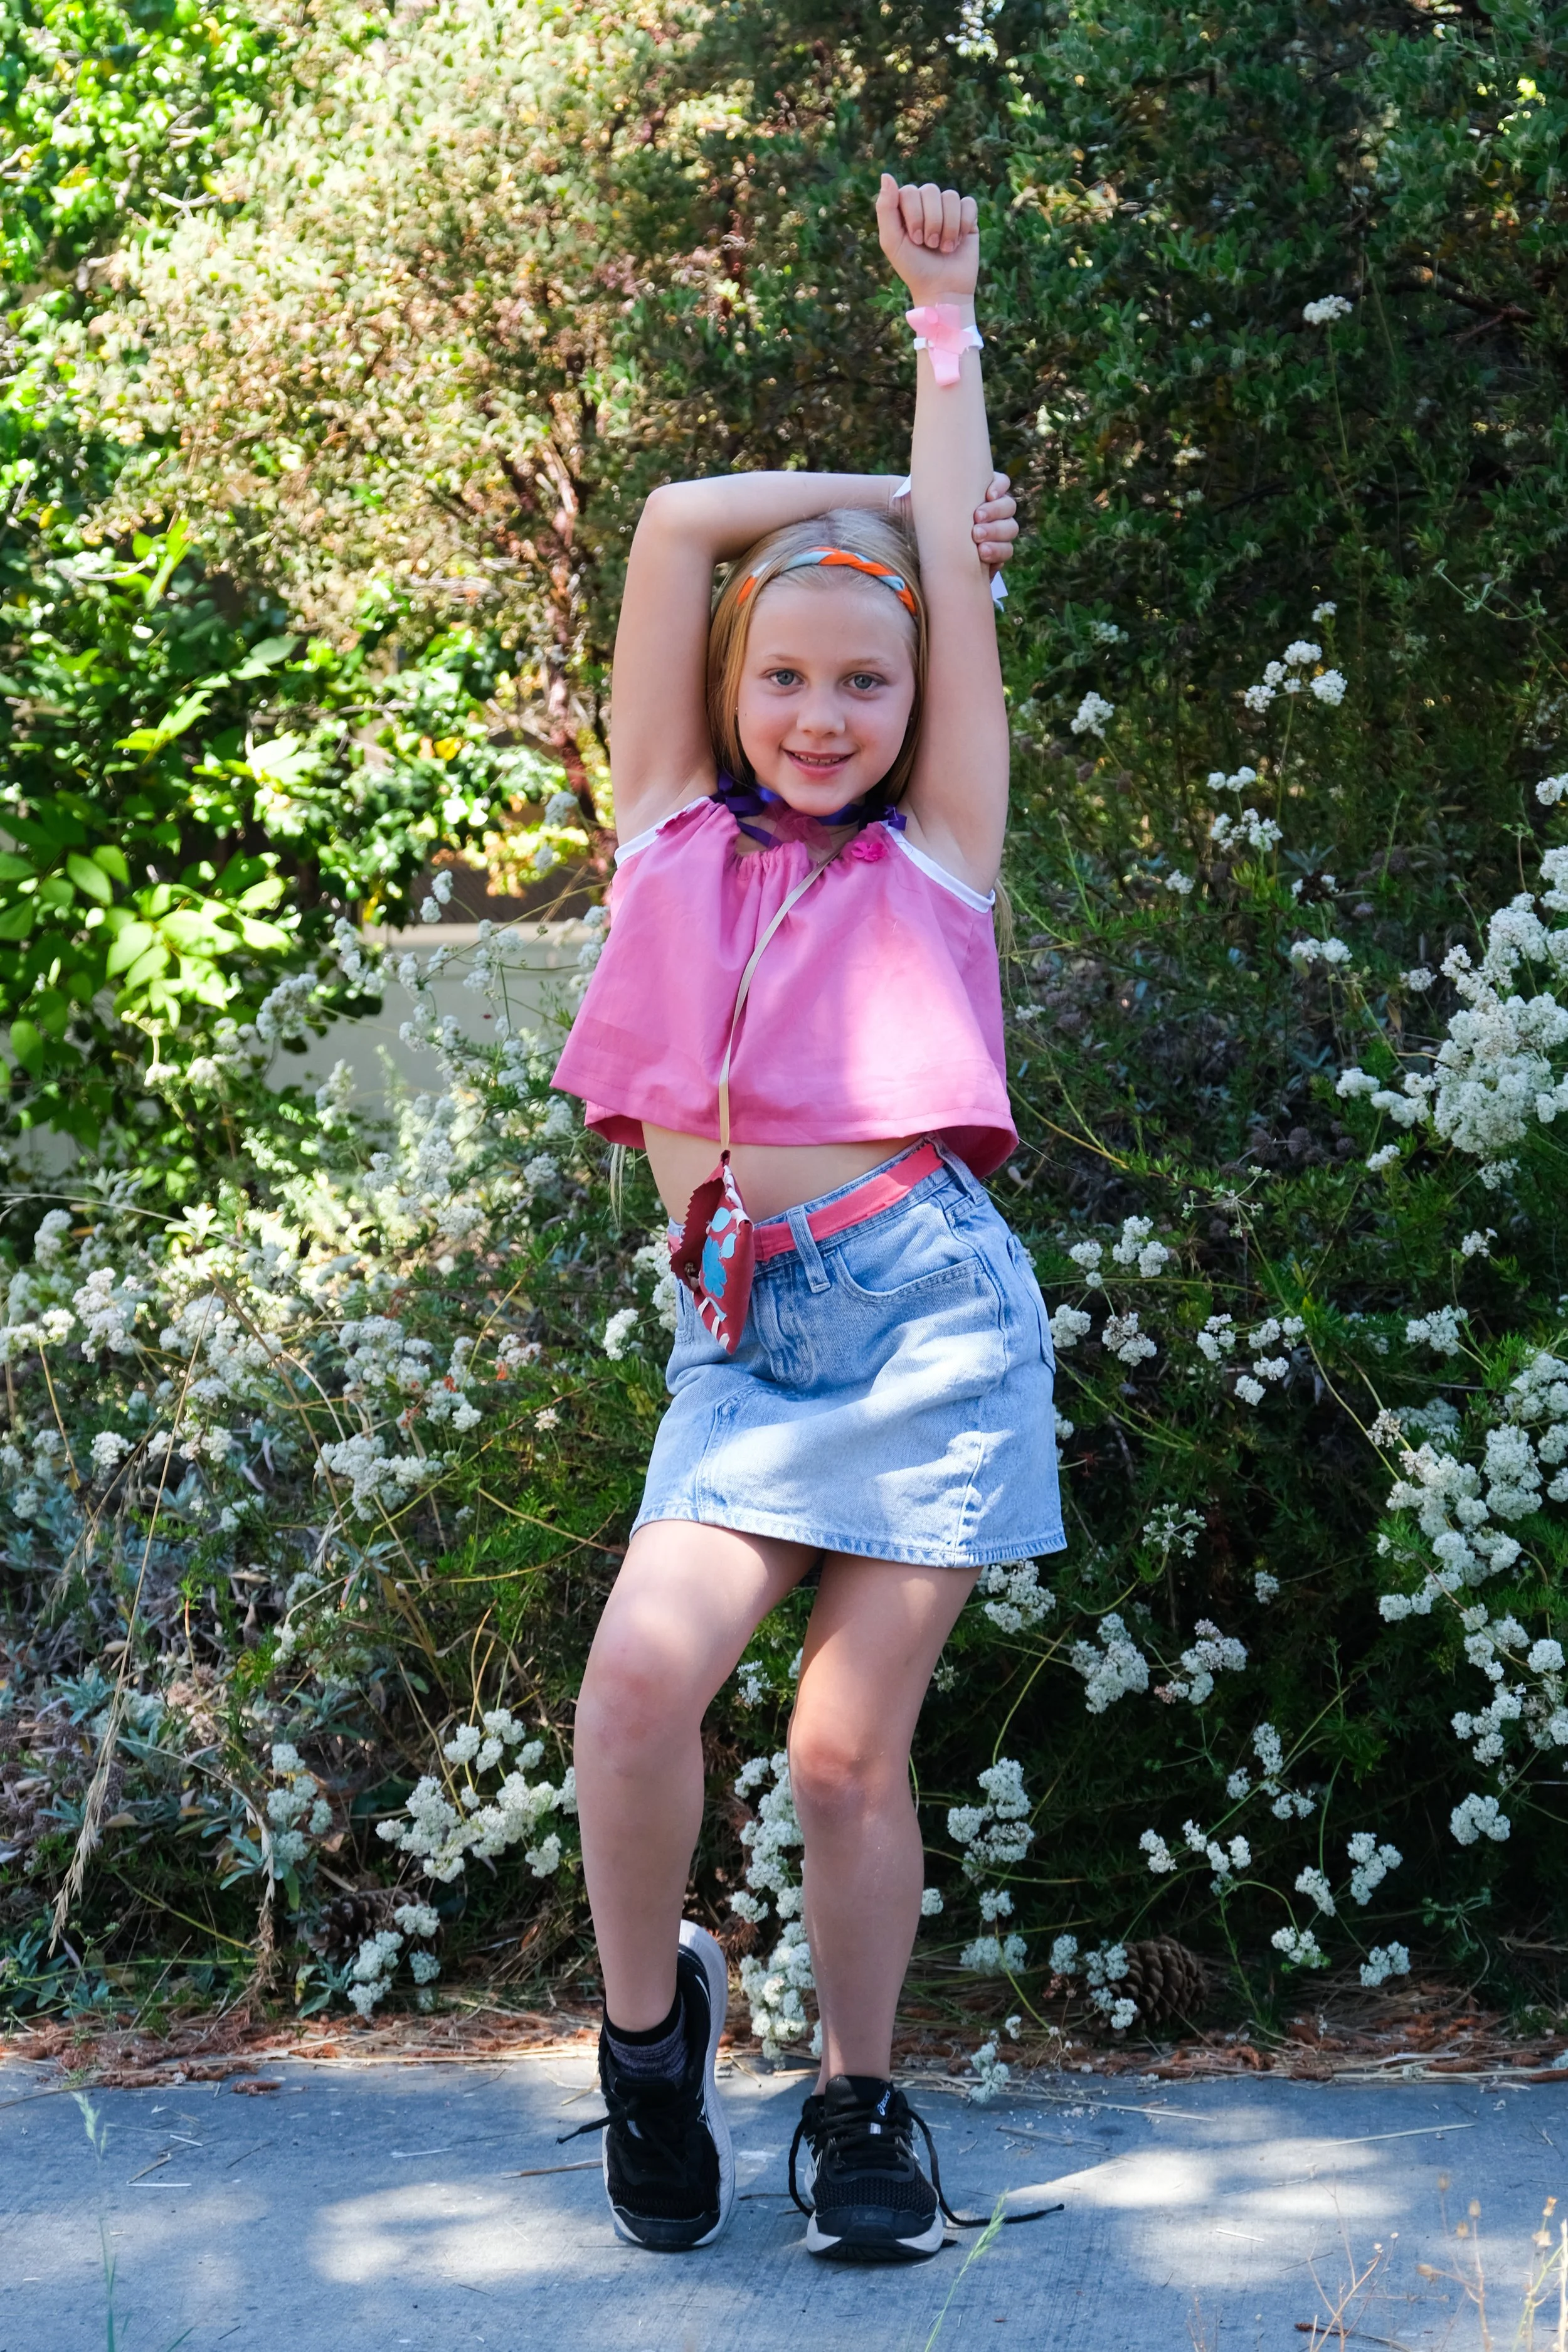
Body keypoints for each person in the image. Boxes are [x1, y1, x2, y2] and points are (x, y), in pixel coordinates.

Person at [551, 174, 1062, 2264]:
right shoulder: (668, 820)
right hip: (748, 1332)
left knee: (847, 1760)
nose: (824, 714)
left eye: (869, 679)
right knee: (632, 1699)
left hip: (927, 1315)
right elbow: (678, 516)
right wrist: (884, 492)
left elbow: (936, 601)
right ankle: (649, 2049)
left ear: (914, 704)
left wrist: (946, 332)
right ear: (735, 680)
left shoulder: (938, 848)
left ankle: (861, 2111)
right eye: (789, 676)